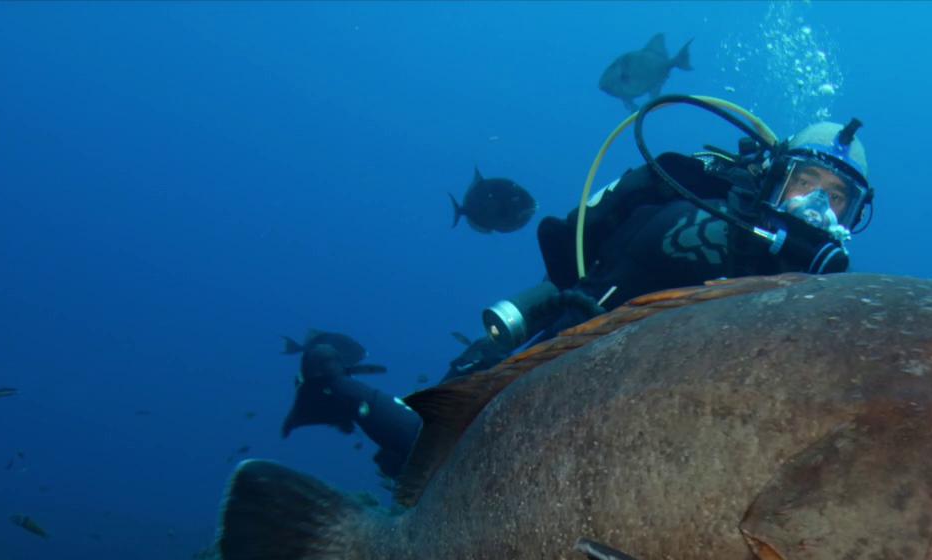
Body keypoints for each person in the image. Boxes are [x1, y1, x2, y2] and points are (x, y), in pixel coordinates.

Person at [280, 101, 875, 478]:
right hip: (579, 347)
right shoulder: (710, 211)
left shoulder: (806, 283)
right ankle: (331, 377)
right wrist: (745, 240)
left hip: (653, 416)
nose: (817, 203)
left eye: (837, 195)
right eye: (805, 180)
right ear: (776, 175)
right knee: (437, 454)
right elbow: (660, 243)